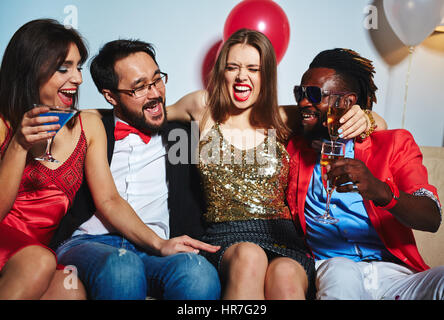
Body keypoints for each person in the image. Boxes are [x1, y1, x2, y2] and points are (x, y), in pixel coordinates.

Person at [167, 29, 386, 300]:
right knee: (250, 255)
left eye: (253, 69)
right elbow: (146, 114)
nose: (241, 76)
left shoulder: (281, 118)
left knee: (284, 274)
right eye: (232, 67)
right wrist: (98, 118)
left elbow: (375, 123)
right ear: (221, 71)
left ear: (266, 75)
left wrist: (365, 118)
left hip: (283, 236)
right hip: (225, 237)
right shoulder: (202, 106)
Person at [50, 39, 221, 300]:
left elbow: (257, 119)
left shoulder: (182, 136)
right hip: (90, 243)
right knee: (122, 268)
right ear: (110, 96)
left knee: (199, 273)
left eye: (157, 80)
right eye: (139, 87)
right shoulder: (92, 128)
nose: (154, 93)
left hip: (158, 247)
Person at [286, 48, 444, 300]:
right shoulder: (294, 148)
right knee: (341, 276)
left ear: (347, 102)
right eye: (300, 93)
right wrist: (366, 116)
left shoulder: (394, 144)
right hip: (334, 265)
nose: (304, 101)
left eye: (314, 94)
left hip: (395, 274)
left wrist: (379, 190)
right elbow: (253, 111)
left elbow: (431, 217)